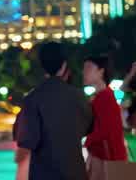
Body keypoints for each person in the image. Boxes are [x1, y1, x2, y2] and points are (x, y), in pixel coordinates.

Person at [14, 41, 93, 180]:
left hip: (44, 173)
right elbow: (87, 127)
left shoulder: (33, 98)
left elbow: (27, 139)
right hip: (75, 172)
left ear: (43, 67)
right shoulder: (78, 96)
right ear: (63, 66)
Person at [83, 54, 128, 175]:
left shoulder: (104, 97)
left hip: (108, 158)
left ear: (101, 72)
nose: (84, 72)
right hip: (105, 155)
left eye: (89, 68)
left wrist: (86, 142)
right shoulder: (102, 96)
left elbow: (105, 129)